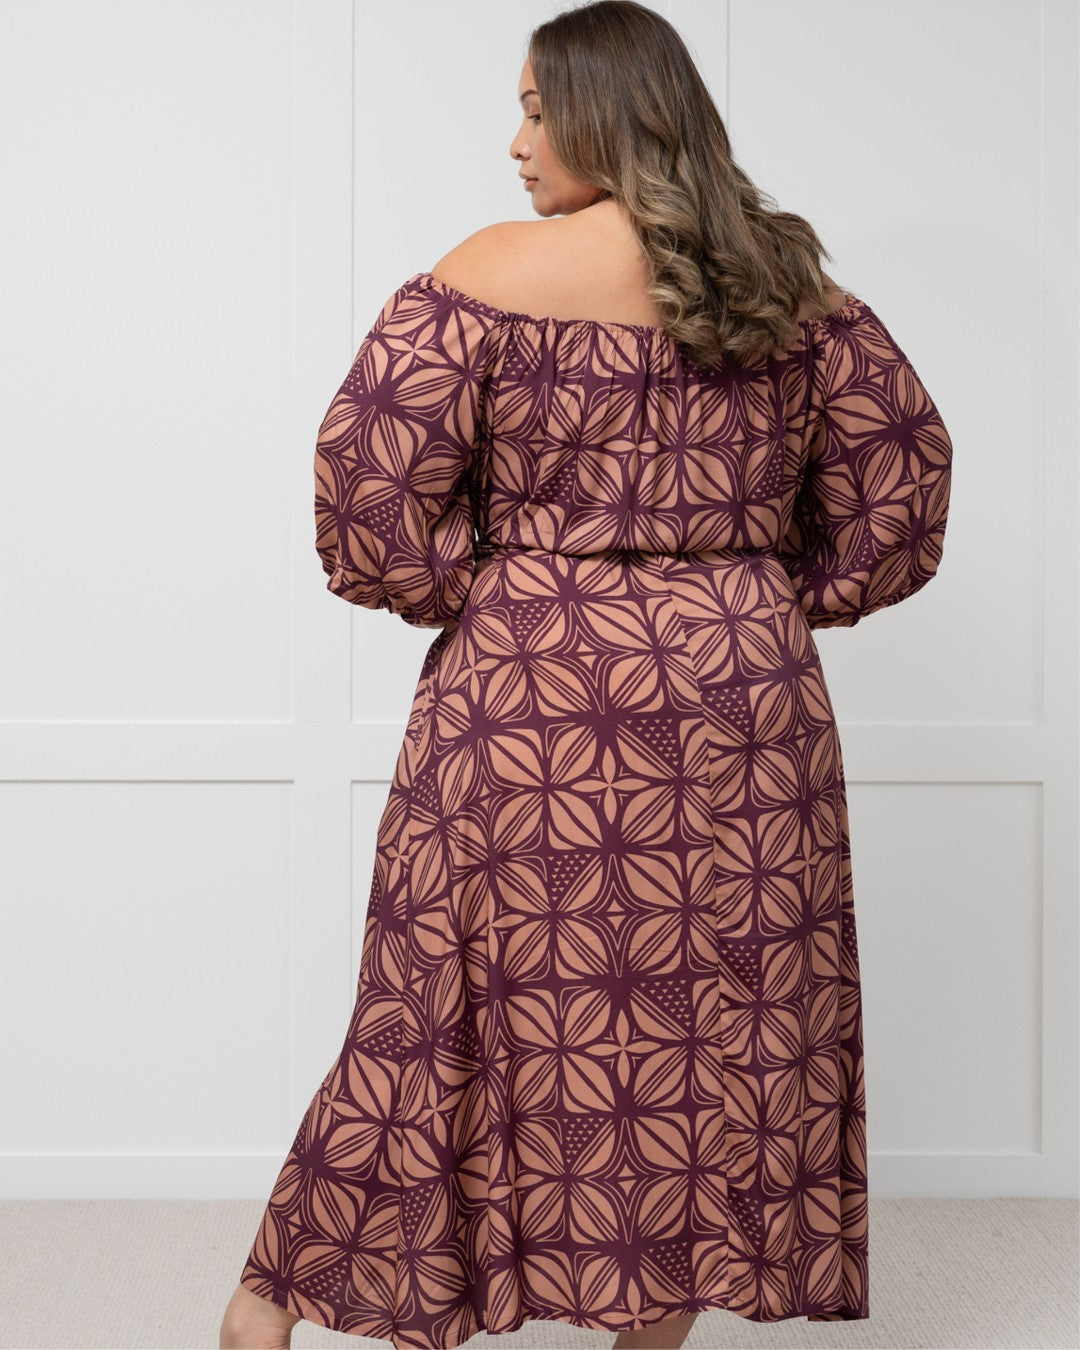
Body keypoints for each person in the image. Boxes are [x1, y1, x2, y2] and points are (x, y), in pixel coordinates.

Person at [219, 3, 953, 1348]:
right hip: (746, 716)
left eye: (538, 109)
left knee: (435, 1002)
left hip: (533, 703)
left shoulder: (494, 271)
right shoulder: (792, 289)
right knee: (701, 1036)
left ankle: (264, 1314)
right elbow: (900, 489)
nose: (515, 142)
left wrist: (495, 596)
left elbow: (367, 486)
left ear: (607, 113)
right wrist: (764, 598)